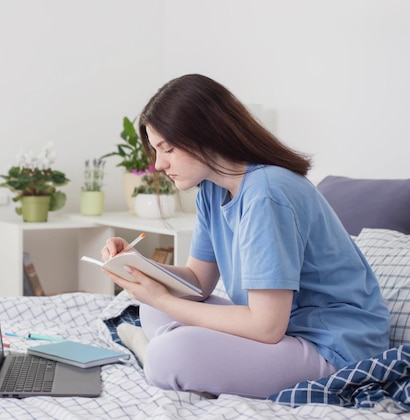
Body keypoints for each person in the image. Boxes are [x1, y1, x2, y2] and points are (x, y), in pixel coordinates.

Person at [101, 74, 390, 399]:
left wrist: (162, 297)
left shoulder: (267, 194)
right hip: (282, 331)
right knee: (152, 311)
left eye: (167, 148)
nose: (159, 164)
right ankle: (195, 364)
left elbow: (266, 327)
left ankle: (171, 359)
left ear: (208, 135)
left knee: (168, 352)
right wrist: (138, 266)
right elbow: (198, 282)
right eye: (156, 150)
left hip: (333, 347)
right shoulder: (211, 190)